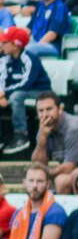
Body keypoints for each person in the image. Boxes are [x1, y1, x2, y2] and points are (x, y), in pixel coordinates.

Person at [29, 92, 78, 194]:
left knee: (61, 181)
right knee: (35, 182)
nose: (45, 114)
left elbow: (70, 167)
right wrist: (43, 138)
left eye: (49, 109)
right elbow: (38, 164)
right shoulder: (44, 127)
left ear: (60, 109)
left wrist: (46, 175)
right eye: (41, 111)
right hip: (76, 171)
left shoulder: (74, 127)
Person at [0, 26, 49, 155]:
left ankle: (21, 135)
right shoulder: (5, 59)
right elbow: (2, 79)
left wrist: (5, 93)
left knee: (16, 96)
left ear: (16, 45)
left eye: (5, 42)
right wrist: (1, 94)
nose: (2, 45)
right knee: (13, 95)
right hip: (16, 92)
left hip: (39, 92)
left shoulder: (30, 59)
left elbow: (27, 83)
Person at [8, 164, 65, 239]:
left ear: (48, 184)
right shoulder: (18, 213)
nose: (34, 185)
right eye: (31, 181)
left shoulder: (55, 212)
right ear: (24, 183)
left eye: (39, 181)